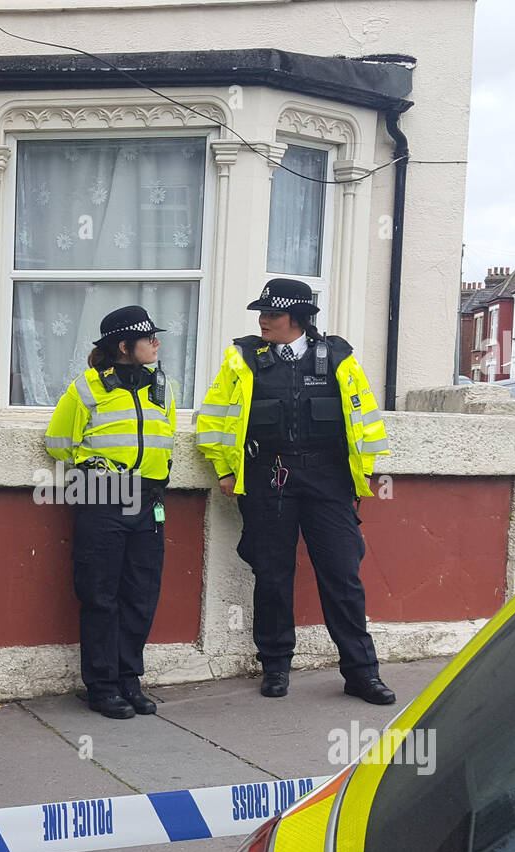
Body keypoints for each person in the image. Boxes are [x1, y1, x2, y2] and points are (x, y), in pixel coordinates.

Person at [196, 279, 396, 704]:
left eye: (272, 314)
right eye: (262, 314)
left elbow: (366, 422)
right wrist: (224, 469)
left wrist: (362, 475)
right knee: (271, 574)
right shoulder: (243, 358)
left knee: (343, 574)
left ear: (298, 319)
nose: (263, 321)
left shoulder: (339, 358)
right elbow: (213, 420)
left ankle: (362, 672)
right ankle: (275, 666)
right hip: (269, 475)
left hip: (329, 479)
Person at [45, 305, 177, 719]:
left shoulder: (163, 386)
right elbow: (59, 443)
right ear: (124, 346)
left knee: (141, 594)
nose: (156, 344)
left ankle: (128, 680)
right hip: (101, 497)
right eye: (148, 338)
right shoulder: (86, 388)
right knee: (101, 595)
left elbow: (168, 436)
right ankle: (101, 685)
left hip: (147, 501)